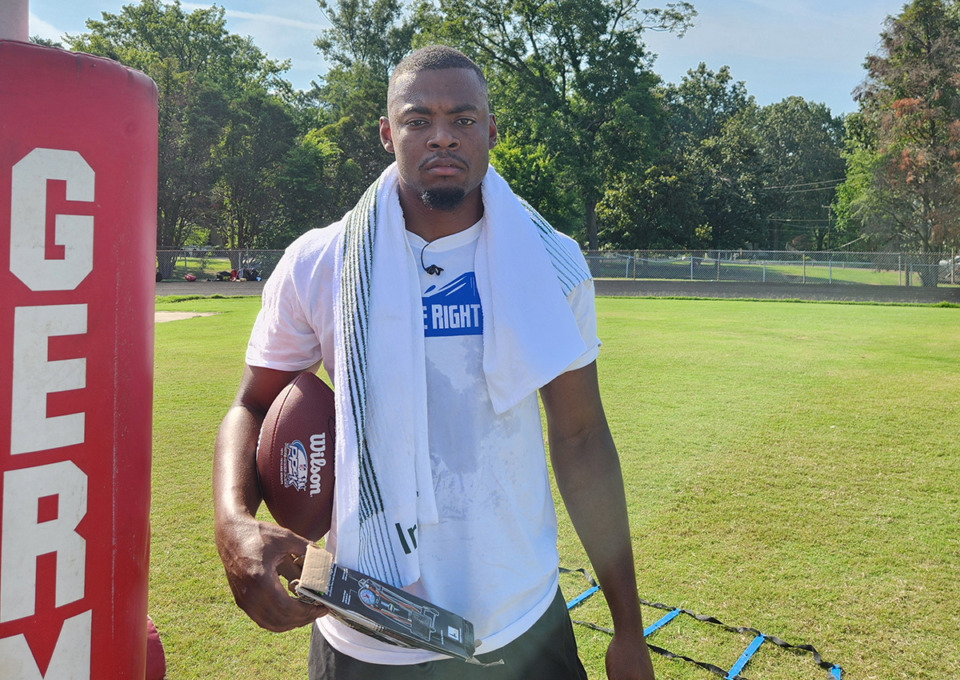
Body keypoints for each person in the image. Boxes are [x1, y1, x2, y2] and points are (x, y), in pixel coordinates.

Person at [213, 45, 656, 680]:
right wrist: (233, 523)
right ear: (388, 133)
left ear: (492, 131)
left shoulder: (550, 264)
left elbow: (582, 438)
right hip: (366, 628)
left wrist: (628, 628)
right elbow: (252, 405)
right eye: (419, 120)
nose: (442, 137)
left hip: (520, 624)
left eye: (464, 119)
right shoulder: (321, 261)